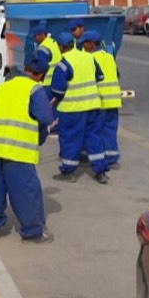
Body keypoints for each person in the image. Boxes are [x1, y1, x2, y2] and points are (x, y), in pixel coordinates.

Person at [0, 49, 56, 244]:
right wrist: (40, 136)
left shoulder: (2, 87)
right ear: (40, 75)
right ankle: (32, 231)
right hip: (19, 150)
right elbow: (46, 118)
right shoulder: (35, 89)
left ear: (25, 68)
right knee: (26, 191)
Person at [49, 31, 109, 184]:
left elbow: (58, 90)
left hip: (72, 109)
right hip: (93, 106)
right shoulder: (89, 57)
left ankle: (68, 171)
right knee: (94, 138)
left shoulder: (63, 64)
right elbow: (100, 76)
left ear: (61, 47)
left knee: (70, 139)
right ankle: (100, 172)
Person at [81, 30, 122, 168]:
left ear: (92, 44)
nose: (83, 46)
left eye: (85, 43)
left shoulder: (90, 59)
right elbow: (117, 75)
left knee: (95, 131)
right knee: (110, 129)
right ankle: (111, 157)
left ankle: (94, 157)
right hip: (114, 101)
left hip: (100, 101)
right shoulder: (109, 57)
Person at [30, 24, 63, 94]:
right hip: (57, 81)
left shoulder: (43, 48)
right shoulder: (53, 42)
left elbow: (40, 68)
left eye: (35, 36)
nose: (34, 38)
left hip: (46, 84)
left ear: (42, 35)